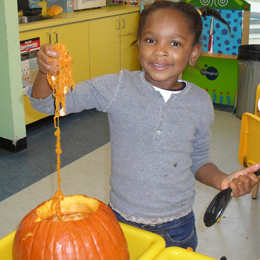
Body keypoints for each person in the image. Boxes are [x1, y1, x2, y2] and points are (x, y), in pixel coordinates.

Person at [27, 0, 260, 251]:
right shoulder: (118, 87)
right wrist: (45, 72)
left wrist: (223, 180)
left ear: (193, 53)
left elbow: (198, 160)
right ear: (138, 45)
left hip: (177, 226)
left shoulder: (200, 103)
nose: (160, 51)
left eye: (175, 43)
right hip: (121, 222)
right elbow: (48, 105)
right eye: (151, 40)